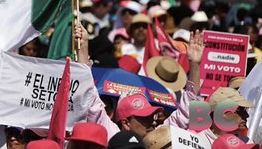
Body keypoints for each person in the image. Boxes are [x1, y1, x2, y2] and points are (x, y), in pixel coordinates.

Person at [75, 22, 203, 139]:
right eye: (145, 118)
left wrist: (195, 66)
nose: (153, 121)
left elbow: (186, 113)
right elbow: (90, 99)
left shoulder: (158, 138)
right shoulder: (112, 135)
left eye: (151, 116)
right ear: (126, 123)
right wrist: (83, 48)